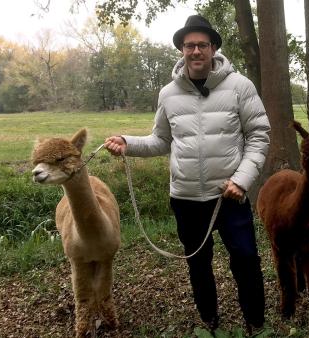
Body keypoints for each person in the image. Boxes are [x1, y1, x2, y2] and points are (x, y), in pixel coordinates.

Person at [104, 15, 269, 334]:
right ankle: (209, 319)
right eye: (189, 45)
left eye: (202, 45)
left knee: (246, 258)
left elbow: (259, 135)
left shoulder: (240, 86)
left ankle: (255, 322)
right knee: (198, 263)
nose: (196, 51)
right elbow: (161, 140)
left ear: (213, 48)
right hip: (187, 198)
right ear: (182, 50)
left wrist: (242, 180)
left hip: (230, 195)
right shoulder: (168, 94)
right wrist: (128, 142)